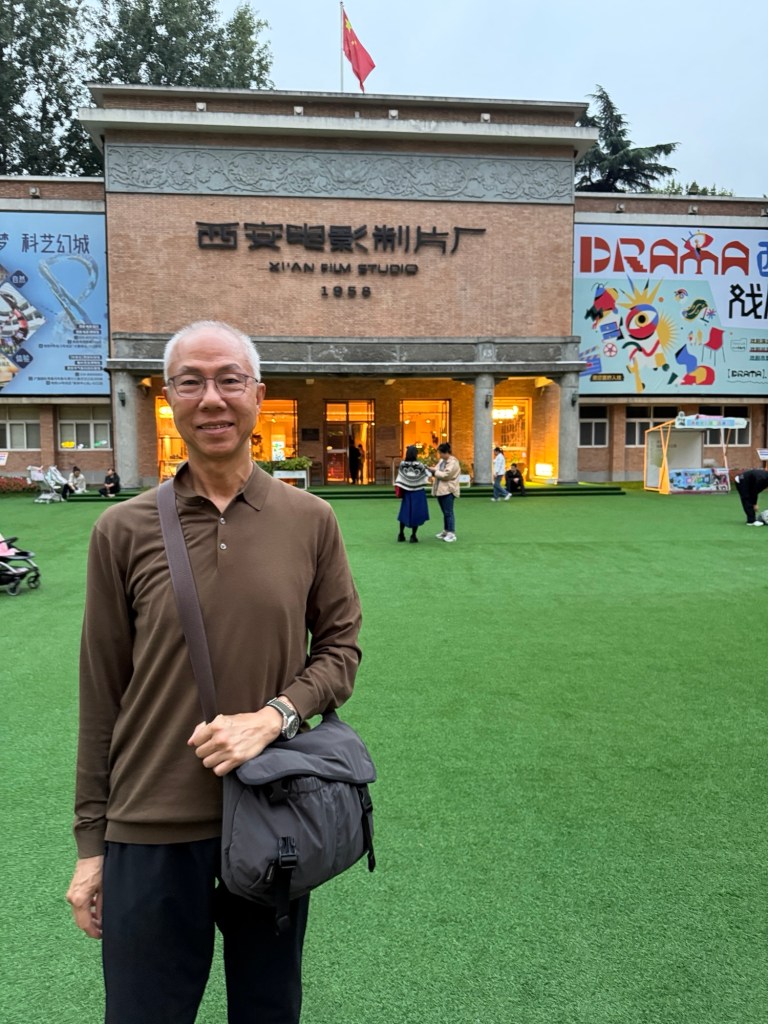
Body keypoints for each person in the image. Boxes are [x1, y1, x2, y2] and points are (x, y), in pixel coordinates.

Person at [65, 320, 362, 1024]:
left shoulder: (310, 519)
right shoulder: (122, 530)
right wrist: (90, 845)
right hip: (150, 820)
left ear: (258, 394)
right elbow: (101, 691)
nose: (212, 398)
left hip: (271, 812)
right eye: (191, 382)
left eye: (229, 380)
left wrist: (274, 717)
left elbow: (340, 649)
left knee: (267, 1009)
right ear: (168, 398)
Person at [395, 444, 431, 543]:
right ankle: (413, 535)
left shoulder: (402, 464)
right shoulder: (420, 465)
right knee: (416, 513)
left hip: (406, 492)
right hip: (418, 491)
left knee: (404, 512)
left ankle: (401, 534)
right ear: (416, 454)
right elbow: (427, 476)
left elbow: (400, 476)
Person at [431, 441, 461, 542]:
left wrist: (434, 472)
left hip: (448, 490)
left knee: (448, 512)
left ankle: (451, 533)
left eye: (440, 453)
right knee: (445, 512)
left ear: (446, 452)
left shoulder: (453, 462)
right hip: (440, 490)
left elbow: (446, 475)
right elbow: (436, 469)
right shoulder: (442, 461)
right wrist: (431, 469)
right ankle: (446, 530)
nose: (439, 455)